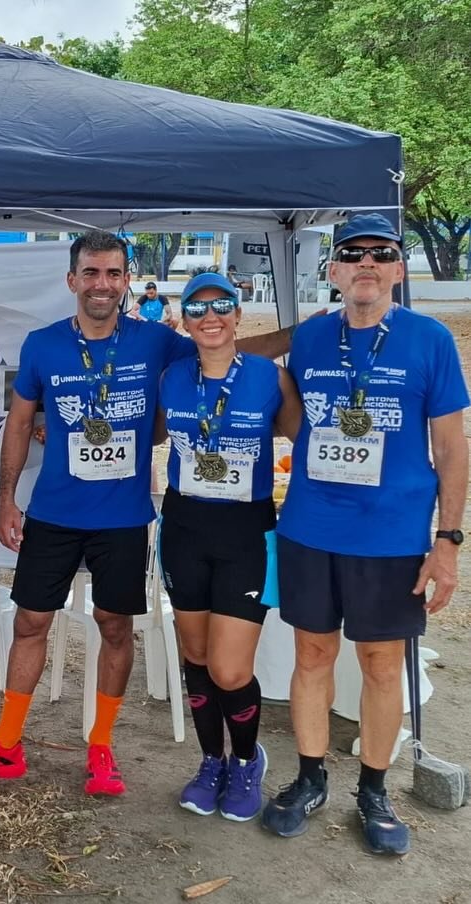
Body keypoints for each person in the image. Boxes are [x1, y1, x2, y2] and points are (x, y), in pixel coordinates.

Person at [0, 230, 296, 798]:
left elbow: (227, 351)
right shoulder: (42, 345)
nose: (102, 284)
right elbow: (17, 423)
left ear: (127, 280)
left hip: (124, 517)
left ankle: (101, 747)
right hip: (55, 512)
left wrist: (306, 333)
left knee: (114, 626)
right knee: (31, 622)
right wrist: (6, 497)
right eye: (91, 273)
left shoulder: (157, 342)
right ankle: (6, 745)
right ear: (72, 280)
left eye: (113, 273)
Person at [262, 213, 468, 855]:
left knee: (382, 665)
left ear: (399, 272)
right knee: (312, 657)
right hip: (310, 527)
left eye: (382, 256)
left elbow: (453, 447)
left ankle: (374, 789)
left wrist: (449, 542)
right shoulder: (313, 340)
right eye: (353, 255)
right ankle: (310, 776)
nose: (367, 265)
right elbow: (294, 420)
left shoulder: (430, 339)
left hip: (393, 535)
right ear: (334, 270)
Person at [154, 271, 302, 822]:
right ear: (184, 321)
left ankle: (246, 760)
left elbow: (303, 443)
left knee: (230, 670)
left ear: (240, 315)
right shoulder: (170, 377)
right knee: (195, 656)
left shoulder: (270, 378)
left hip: (245, 534)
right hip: (184, 529)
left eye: (222, 307)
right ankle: (210, 760)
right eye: (197, 308)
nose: (210, 317)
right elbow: (148, 433)